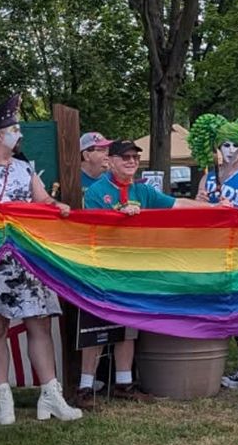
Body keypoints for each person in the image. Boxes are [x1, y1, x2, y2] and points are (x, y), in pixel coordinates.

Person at [0, 95, 80, 426]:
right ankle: (3, 394)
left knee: (38, 323)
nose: (19, 133)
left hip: (27, 259)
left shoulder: (24, 167)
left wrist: (56, 207)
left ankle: (50, 394)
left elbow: (41, 200)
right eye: (14, 127)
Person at [80, 140, 189, 401]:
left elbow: (178, 205)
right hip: (102, 270)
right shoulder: (97, 191)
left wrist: (217, 209)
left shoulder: (143, 191)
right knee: (95, 326)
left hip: (132, 271)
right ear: (112, 161)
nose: (131, 161)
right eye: (125, 157)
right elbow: (92, 227)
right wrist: (119, 216)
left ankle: (124, 383)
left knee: (128, 324)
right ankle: (84, 386)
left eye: (135, 157)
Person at [189, 111, 238, 393]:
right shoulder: (207, 177)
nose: (231, 150)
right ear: (217, 147)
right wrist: (200, 203)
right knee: (232, 311)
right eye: (226, 144)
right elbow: (197, 215)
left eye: (236, 145)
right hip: (216, 253)